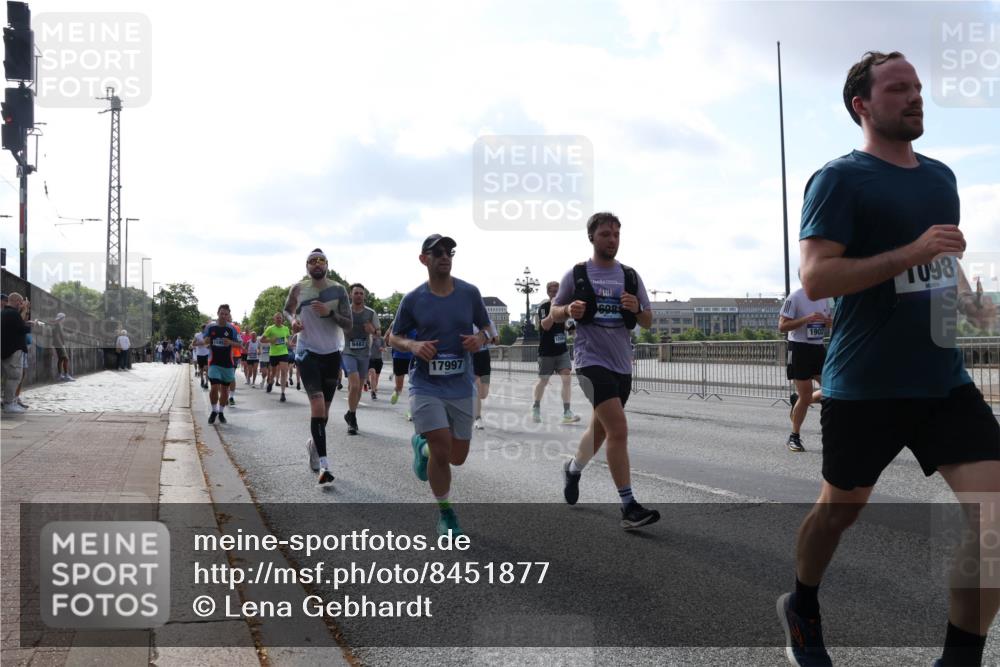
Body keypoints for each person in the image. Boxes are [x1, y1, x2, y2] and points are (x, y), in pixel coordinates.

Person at [776, 51, 1000, 667]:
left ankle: (959, 659)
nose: (916, 96)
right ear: (863, 106)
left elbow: (939, 271)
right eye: (899, 88)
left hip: (942, 384)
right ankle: (802, 603)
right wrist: (912, 251)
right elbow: (818, 277)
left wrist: (973, 309)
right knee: (837, 515)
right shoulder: (839, 179)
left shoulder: (942, 179)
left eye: (919, 87)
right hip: (864, 387)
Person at [551, 212, 660, 530]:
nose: (612, 239)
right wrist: (569, 309)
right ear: (592, 238)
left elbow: (648, 320)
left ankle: (572, 469)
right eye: (605, 234)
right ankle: (629, 506)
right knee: (619, 429)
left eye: (616, 234)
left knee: (600, 431)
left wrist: (636, 309)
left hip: (621, 364)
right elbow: (555, 312)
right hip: (590, 362)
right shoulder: (577, 273)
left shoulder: (629, 276)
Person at [388, 234, 491, 536]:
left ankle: (422, 450)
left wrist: (480, 339)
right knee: (442, 448)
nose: (446, 256)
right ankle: (446, 514)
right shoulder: (413, 298)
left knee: (456, 457)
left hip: (460, 385)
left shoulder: (469, 293)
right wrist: (413, 345)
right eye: (438, 252)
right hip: (426, 385)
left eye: (450, 252)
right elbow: (392, 337)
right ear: (424, 259)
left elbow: (488, 327)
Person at [285, 248, 352, 485]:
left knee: (324, 411)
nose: (316, 264)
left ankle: (313, 445)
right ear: (307, 267)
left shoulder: (339, 290)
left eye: (320, 260)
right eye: (311, 261)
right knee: (316, 406)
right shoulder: (298, 288)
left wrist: (330, 312)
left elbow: (349, 323)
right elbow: (288, 309)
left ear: (327, 265)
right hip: (307, 352)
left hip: (332, 353)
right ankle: (325, 465)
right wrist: (293, 321)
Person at [779, 280, 832, 452]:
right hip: (799, 348)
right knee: (806, 395)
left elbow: (831, 323)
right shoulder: (795, 297)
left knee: (833, 389)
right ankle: (794, 436)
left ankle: (799, 401)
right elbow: (782, 326)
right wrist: (806, 319)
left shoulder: (824, 298)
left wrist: (826, 321)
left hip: (818, 348)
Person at [534, 280, 580, 424]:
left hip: (561, 351)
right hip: (546, 352)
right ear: (548, 292)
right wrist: (554, 308)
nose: (555, 294)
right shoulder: (544, 306)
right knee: (543, 381)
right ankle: (536, 407)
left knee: (567, 377)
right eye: (553, 291)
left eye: (557, 291)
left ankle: (567, 412)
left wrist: (573, 331)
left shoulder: (563, 308)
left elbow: (567, 326)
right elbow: (546, 325)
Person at [342, 284, 377, 435]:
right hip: (348, 352)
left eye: (361, 293)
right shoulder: (345, 312)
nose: (358, 296)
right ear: (351, 295)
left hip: (364, 353)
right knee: (355, 385)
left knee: (358, 389)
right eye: (356, 293)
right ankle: (352, 419)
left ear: (364, 296)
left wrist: (373, 330)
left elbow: (378, 333)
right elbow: (336, 328)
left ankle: (350, 413)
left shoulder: (370, 313)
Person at [202, 304, 241, 424]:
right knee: (214, 388)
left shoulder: (232, 329)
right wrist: (206, 341)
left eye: (226, 314)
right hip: (214, 362)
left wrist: (230, 342)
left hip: (227, 363)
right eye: (221, 313)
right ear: (218, 313)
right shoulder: (210, 327)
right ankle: (214, 411)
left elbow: (240, 344)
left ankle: (221, 412)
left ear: (228, 315)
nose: (223, 316)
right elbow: (205, 341)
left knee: (225, 390)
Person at [2, 293, 32, 413]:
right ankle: (9, 404)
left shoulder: (5, 313)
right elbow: (22, 329)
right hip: (13, 350)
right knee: (14, 377)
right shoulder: (13, 313)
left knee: (11, 377)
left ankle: (10, 402)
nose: (21, 306)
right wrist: (30, 325)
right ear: (16, 301)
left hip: (8, 349)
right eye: (20, 303)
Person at [471, 322, 498, 431]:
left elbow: (497, 340)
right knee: (477, 386)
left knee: (483, 394)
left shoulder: (488, 322)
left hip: (484, 357)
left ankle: (471, 401)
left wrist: (488, 339)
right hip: (472, 356)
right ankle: (478, 418)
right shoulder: (467, 321)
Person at [262, 313, 291, 401]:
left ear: (282, 319)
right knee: (273, 373)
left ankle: (282, 393)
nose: (279, 319)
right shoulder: (270, 329)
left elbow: (287, 339)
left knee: (283, 372)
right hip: (273, 354)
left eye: (280, 318)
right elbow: (262, 339)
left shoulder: (286, 328)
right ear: (274, 319)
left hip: (283, 353)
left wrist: (288, 343)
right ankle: (270, 382)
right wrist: (271, 340)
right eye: (277, 318)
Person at [48, 312, 74, 381]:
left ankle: (60, 375)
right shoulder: (57, 324)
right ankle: (66, 375)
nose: (64, 319)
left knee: (61, 359)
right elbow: (56, 336)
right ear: (61, 318)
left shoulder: (58, 324)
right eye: (64, 318)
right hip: (59, 344)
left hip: (58, 344)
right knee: (66, 359)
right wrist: (61, 345)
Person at [368, 328, 385, 400]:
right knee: (373, 374)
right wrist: (372, 340)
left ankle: (373, 389)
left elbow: (385, 348)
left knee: (376, 377)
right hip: (370, 359)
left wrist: (382, 349)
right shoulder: (369, 338)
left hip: (379, 360)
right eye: (377, 330)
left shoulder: (381, 339)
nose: (379, 331)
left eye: (379, 330)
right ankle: (373, 392)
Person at [192, 325, 211, 389]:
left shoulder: (209, 335)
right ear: (202, 329)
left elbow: (210, 343)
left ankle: (206, 383)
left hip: (206, 354)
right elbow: (193, 344)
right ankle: (202, 379)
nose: (205, 330)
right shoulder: (197, 335)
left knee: (206, 368)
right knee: (201, 369)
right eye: (204, 329)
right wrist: (201, 343)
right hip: (199, 354)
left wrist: (207, 344)